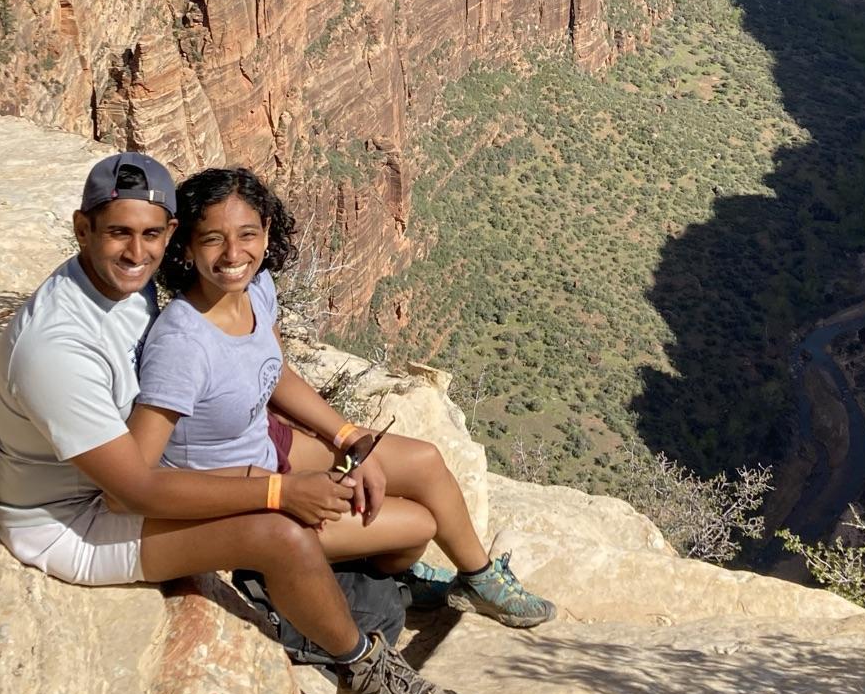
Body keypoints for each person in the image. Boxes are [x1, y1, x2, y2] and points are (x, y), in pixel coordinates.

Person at [0, 150, 468, 694]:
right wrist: (276, 492)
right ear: (82, 228)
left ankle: (369, 581)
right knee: (277, 533)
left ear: (170, 236)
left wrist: (333, 438)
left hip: (126, 472)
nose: (137, 253)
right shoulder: (57, 347)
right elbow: (128, 490)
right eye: (118, 234)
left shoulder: (122, 281)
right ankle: (362, 672)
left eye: (151, 235)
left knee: (386, 476)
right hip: (70, 522)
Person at [132, 165, 555, 628]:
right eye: (212, 239)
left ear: (267, 231)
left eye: (247, 234)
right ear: (187, 245)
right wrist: (279, 495)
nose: (234, 253)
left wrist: (348, 437)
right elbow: (141, 475)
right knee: (417, 526)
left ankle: (479, 580)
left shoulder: (256, 288)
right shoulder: (182, 345)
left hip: (270, 447)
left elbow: (274, 373)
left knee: (425, 463)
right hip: (233, 499)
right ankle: (367, 575)